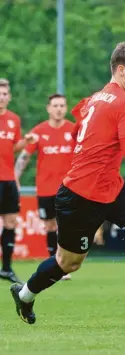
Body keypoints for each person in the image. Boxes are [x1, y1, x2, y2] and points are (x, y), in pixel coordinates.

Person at [9, 41, 125, 325]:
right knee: (68, 263)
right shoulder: (124, 104)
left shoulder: (96, 98)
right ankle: (24, 295)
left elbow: (76, 131)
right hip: (81, 195)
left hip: (111, 186)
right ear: (121, 70)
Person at [15, 94, 75, 281]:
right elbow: (24, 156)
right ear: (48, 108)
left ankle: (64, 264)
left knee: (66, 226)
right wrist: (15, 177)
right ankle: (53, 262)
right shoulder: (39, 131)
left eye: (62, 105)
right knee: (50, 225)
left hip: (68, 188)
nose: (58, 109)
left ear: (65, 108)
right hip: (45, 189)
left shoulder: (73, 130)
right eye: (55, 105)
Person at [0, 78, 37, 283]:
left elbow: (12, 147)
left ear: (9, 96)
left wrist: (26, 141)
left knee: (11, 222)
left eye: (5, 93)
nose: (2, 97)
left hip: (8, 179)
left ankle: (6, 268)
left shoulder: (13, 119)